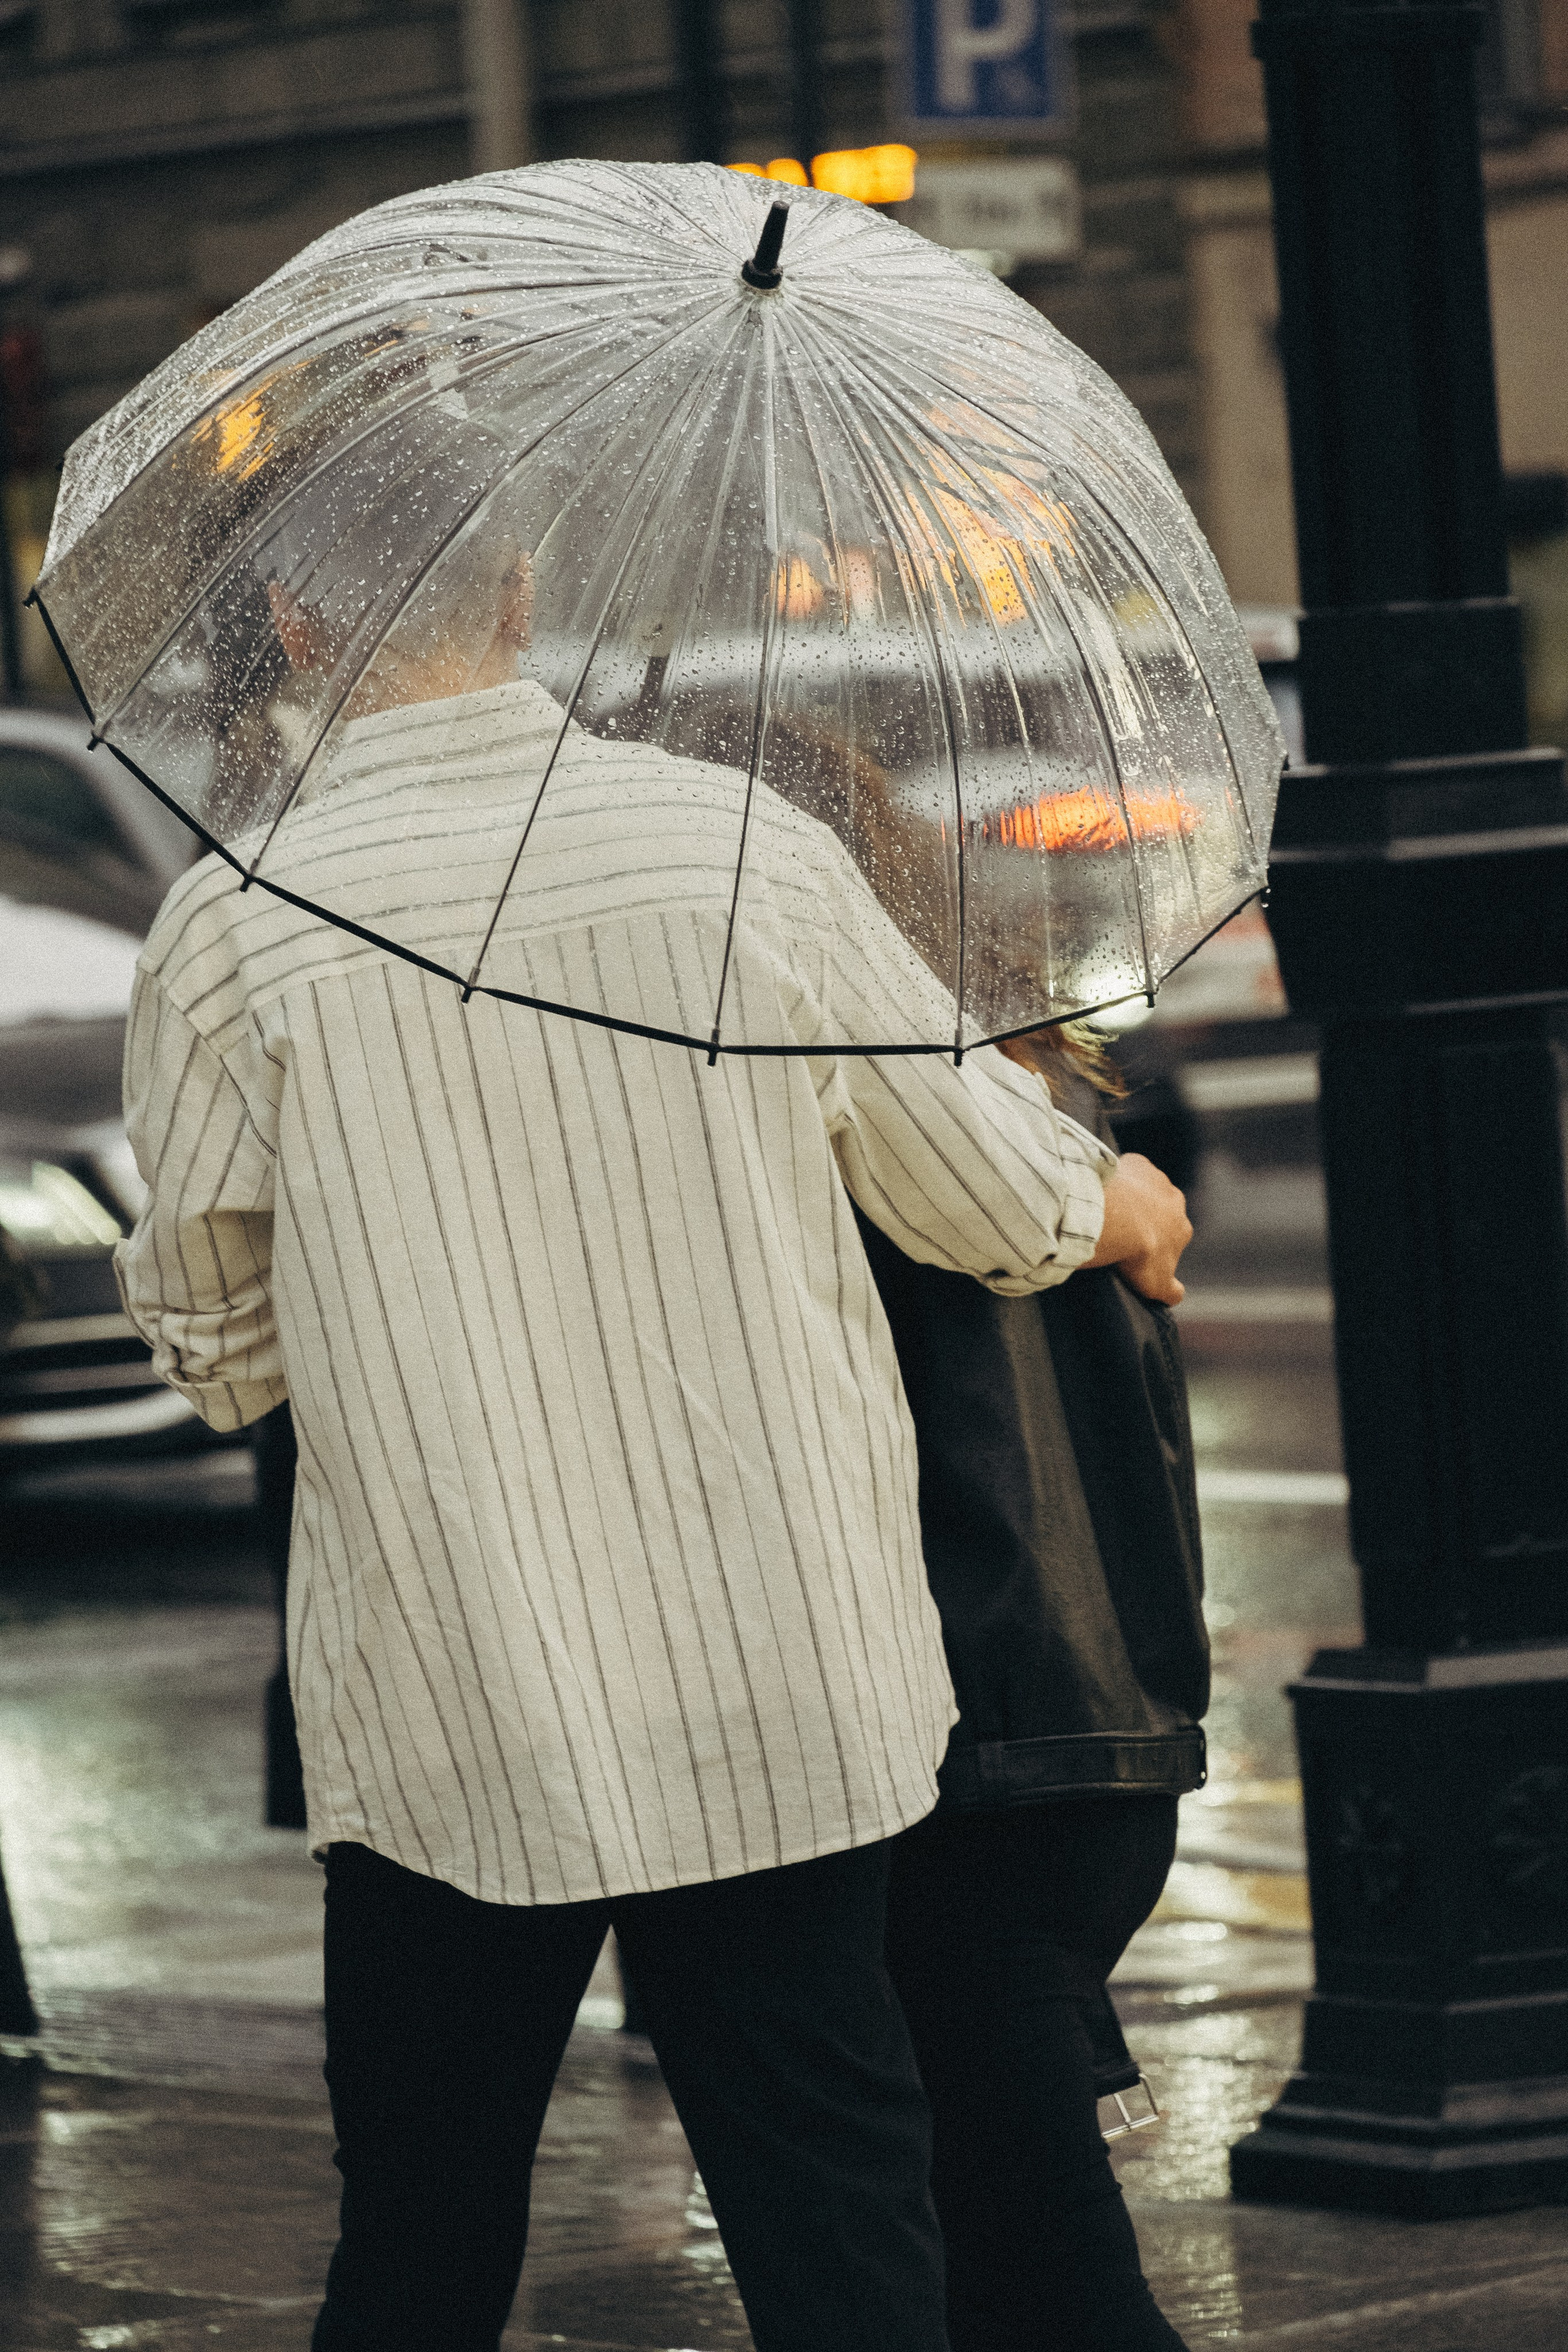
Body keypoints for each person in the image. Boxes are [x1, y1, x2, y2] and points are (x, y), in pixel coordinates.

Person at [113, 538, 1190, 2352]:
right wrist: (1123, 1201)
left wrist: (402, 1309)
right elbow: (986, 1202)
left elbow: (220, 1357)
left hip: (456, 1691)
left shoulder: (232, 928)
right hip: (779, 1679)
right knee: (836, 2215)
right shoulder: (740, 852)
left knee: (423, 2237)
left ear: (298, 622)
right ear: (525, 591)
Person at [863, 1037, 1200, 2352]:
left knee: (1039, 2267)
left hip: (976, 1740)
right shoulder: (1039, 1102)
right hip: (1100, 1714)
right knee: (1003, 2250)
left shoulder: (872, 1105)